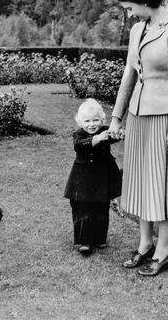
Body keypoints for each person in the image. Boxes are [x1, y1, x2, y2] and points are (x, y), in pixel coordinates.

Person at [108, 0, 168, 276]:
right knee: (142, 182)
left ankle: (164, 250)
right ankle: (145, 244)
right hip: (137, 116)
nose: (129, 13)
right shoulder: (137, 30)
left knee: (164, 184)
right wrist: (116, 118)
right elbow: (128, 78)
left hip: (164, 119)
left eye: (130, 7)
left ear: (145, 2)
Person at [64, 98, 123, 256]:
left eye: (95, 120)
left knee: (101, 209)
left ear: (102, 120)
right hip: (82, 181)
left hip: (101, 179)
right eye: (87, 121)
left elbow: (113, 136)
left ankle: (98, 238)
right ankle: (84, 241)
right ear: (80, 121)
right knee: (83, 210)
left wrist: (119, 134)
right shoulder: (79, 135)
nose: (92, 124)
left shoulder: (104, 131)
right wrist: (97, 138)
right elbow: (79, 145)